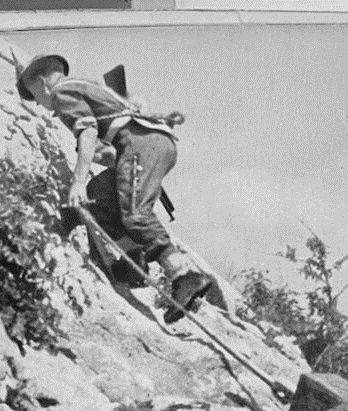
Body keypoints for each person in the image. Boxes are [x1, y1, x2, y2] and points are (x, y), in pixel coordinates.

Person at [16, 54, 212, 323]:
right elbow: (108, 145)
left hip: (141, 144)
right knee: (100, 195)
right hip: (146, 143)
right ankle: (133, 260)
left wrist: (77, 181)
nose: (41, 105)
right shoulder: (85, 85)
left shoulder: (62, 93)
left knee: (135, 214)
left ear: (42, 83)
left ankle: (184, 274)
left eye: (35, 97)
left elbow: (87, 131)